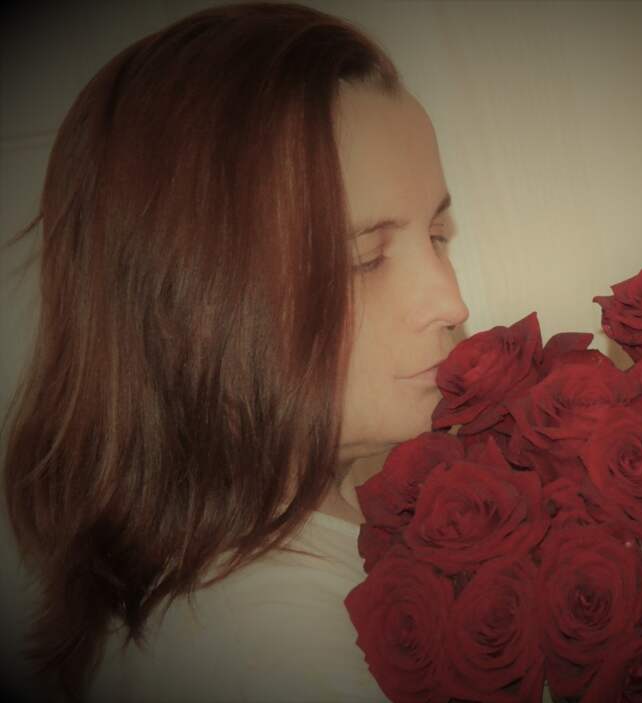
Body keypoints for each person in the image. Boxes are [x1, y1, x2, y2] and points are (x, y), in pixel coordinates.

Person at [2, 3, 469, 701]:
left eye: (438, 236)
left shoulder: (317, 527)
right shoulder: (271, 654)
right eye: (364, 259)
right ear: (192, 307)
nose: (450, 303)